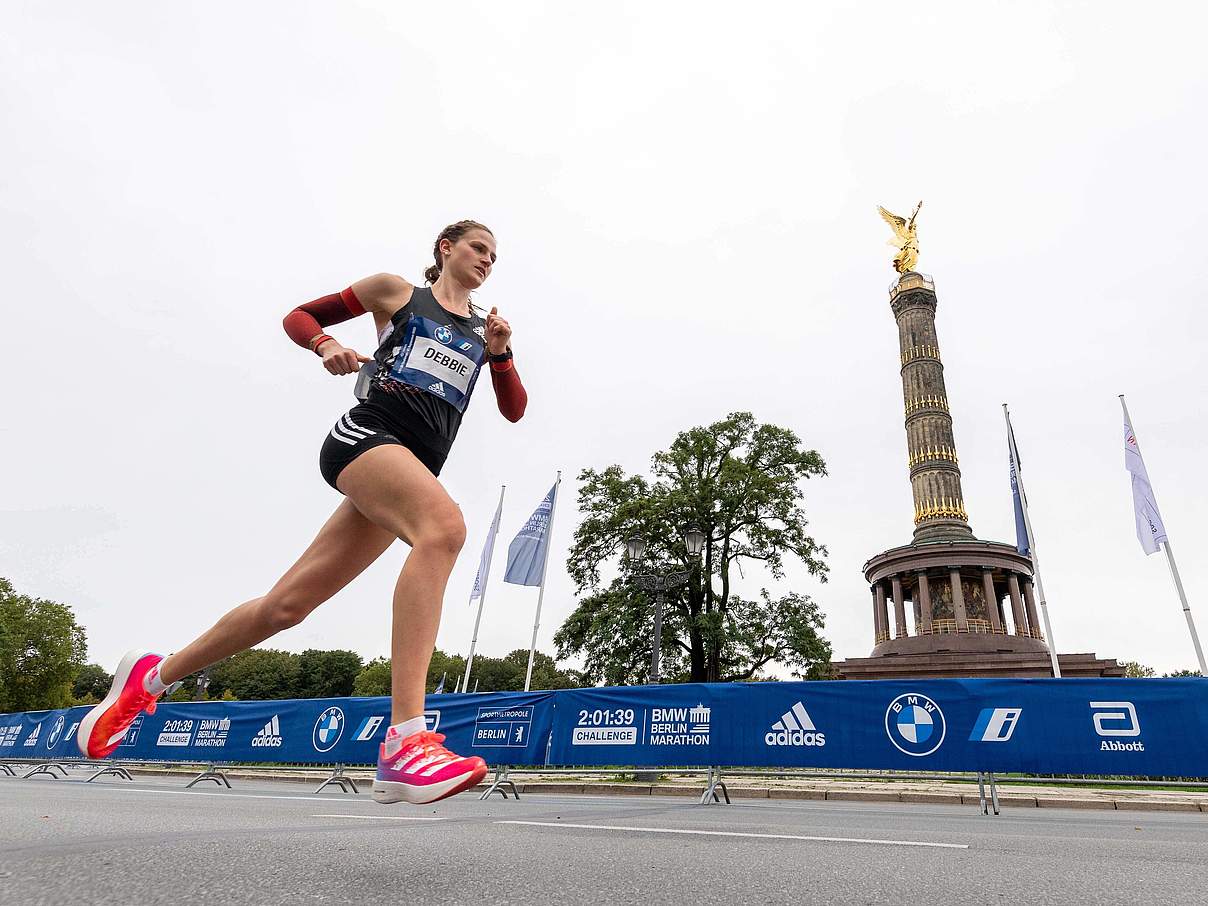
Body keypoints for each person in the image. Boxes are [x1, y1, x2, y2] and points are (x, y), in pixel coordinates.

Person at [78, 220, 527, 805]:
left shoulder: (479, 332)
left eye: (495, 256)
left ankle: (152, 679)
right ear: (446, 248)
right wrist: (328, 345)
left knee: (286, 607)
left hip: (409, 471)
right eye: (478, 248)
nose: (487, 260)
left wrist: (501, 353)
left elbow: (514, 410)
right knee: (442, 530)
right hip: (366, 438)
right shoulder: (397, 293)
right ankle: (406, 741)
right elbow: (300, 316)